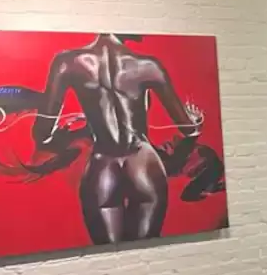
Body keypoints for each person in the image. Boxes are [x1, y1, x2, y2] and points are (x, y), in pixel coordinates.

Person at [33, 34, 201, 243]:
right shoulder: (149, 66)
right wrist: (196, 120)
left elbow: (42, 134)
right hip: (143, 164)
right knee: (146, 251)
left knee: (107, 253)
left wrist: (69, 133)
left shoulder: (67, 63)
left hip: (103, 166)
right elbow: (188, 128)